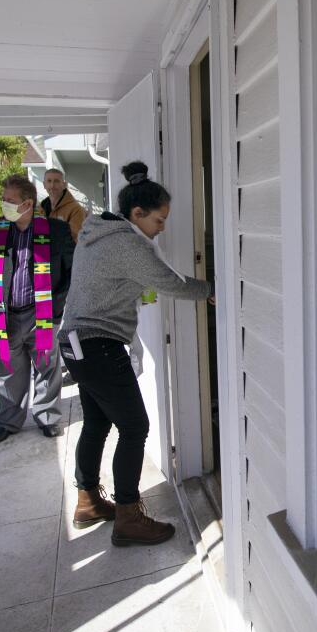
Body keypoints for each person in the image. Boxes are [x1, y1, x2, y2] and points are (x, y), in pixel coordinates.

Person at [61, 161, 214, 546]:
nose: (162, 228)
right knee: (135, 427)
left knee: (97, 424)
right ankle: (128, 516)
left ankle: (88, 501)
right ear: (137, 214)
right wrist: (212, 289)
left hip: (77, 343)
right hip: (97, 344)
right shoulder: (125, 243)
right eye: (159, 220)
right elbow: (169, 282)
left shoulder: (98, 232)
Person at [0, 174, 74, 444]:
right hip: (4, 315)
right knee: (7, 370)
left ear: (27, 203)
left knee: (47, 369)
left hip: (41, 314)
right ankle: (8, 423)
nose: (5, 204)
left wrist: (56, 310)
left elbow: (69, 272)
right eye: (3, 199)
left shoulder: (56, 230)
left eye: (10, 201)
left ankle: (48, 419)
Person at [41, 167, 87, 242]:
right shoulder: (40, 208)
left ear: (64, 185)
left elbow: (75, 240)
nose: (52, 185)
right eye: (49, 181)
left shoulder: (76, 209)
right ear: (44, 184)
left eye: (56, 181)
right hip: (41, 252)